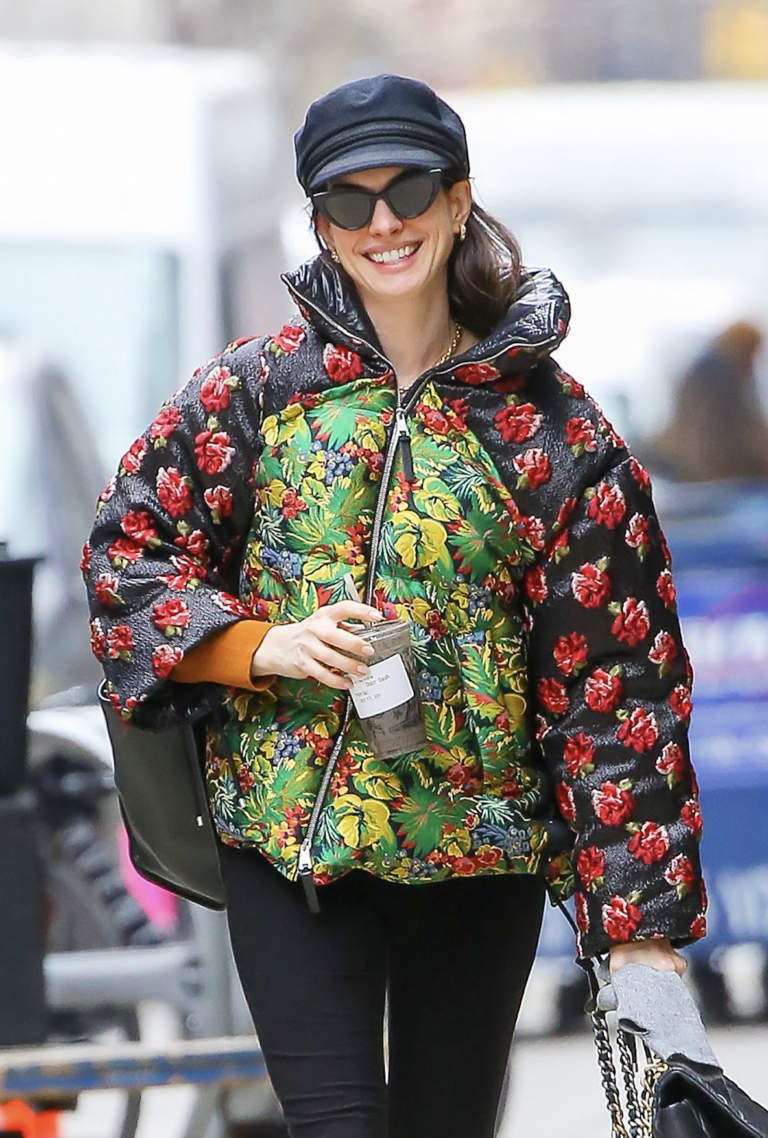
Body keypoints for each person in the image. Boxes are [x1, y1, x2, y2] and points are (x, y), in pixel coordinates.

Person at [84, 75, 707, 1138]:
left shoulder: (552, 433)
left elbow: (620, 685)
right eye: (349, 200)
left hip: (476, 857)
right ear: (322, 224)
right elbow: (126, 562)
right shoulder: (256, 394)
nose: (383, 223)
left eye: (408, 190)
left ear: (458, 202)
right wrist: (264, 645)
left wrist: (640, 933)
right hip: (290, 850)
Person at [642, 321, 768, 483]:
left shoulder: (710, 366)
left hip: (696, 464)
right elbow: (733, 428)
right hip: (712, 468)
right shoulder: (718, 372)